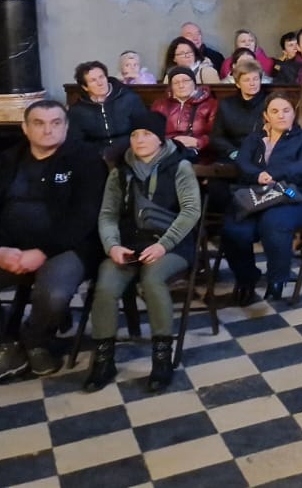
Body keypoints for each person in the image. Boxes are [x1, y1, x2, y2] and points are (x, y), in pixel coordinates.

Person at [0, 100, 106, 389]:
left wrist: (42, 252)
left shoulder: (85, 160)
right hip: (8, 249)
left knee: (53, 295)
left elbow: (84, 218)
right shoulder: (3, 162)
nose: (48, 130)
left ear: (66, 127)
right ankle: (3, 346)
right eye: (39, 123)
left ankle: (36, 340)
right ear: (25, 128)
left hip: (64, 248)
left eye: (56, 123)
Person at [82, 109, 201, 393]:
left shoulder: (179, 166)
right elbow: (108, 214)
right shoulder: (120, 171)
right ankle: (104, 359)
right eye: (135, 135)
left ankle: (161, 357)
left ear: (160, 138)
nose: (139, 140)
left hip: (170, 244)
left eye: (147, 134)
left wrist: (163, 245)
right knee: (106, 285)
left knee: (152, 279)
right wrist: (112, 246)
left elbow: (190, 211)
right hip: (128, 244)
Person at [220, 94, 302, 304]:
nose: (281, 115)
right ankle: (246, 279)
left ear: (293, 114)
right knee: (234, 230)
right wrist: (257, 175)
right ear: (266, 116)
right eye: (275, 111)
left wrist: (273, 174)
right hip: (254, 195)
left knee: (274, 223)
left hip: (289, 195)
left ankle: (277, 279)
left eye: (286, 110)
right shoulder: (254, 139)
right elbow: (242, 163)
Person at [67, 60, 148, 164]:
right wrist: (101, 153)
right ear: (85, 87)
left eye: (101, 77)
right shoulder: (77, 110)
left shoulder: (129, 99)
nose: (100, 83)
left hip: (130, 152)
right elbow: (76, 141)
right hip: (96, 157)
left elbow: (143, 128)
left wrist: (122, 148)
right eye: (93, 80)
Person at [151, 66, 217, 161]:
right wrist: (169, 142)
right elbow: (153, 131)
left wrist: (198, 142)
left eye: (185, 81)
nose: (181, 85)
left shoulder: (210, 104)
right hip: (166, 149)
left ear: (194, 83)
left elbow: (217, 134)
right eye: (176, 83)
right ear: (171, 86)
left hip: (198, 152)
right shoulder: (160, 105)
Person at [210, 58, 267, 163]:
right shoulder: (226, 105)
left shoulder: (270, 103)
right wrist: (233, 153)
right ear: (238, 84)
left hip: (261, 155)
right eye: (247, 80)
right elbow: (217, 137)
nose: (252, 83)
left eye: (255, 79)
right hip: (234, 155)